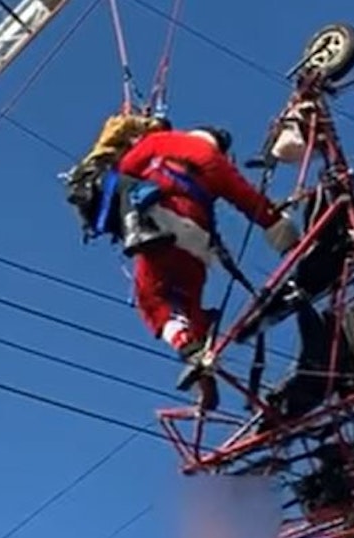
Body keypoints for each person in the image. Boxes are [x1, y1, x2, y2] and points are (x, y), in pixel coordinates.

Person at [114, 124, 300, 407]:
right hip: (198, 242)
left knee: (151, 298)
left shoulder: (162, 141)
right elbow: (248, 199)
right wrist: (279, 228)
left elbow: (126, 166)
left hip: (160, 223)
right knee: (189, 303)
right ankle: (202, 362)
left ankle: (189, 348)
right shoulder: (217, 163)